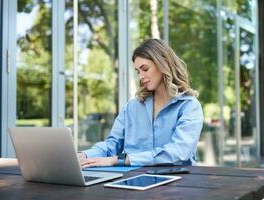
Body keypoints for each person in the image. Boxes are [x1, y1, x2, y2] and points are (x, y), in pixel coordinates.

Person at [78, 39, 203, 167]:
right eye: (138, 71)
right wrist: (85, 155)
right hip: (132, 179)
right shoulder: (132, 107)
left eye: (145, 69)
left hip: (178, 181)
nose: (141, 76)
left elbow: (179, 152)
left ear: (163, 64)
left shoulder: (189, 107)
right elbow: (112, 145)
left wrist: (120, 160)